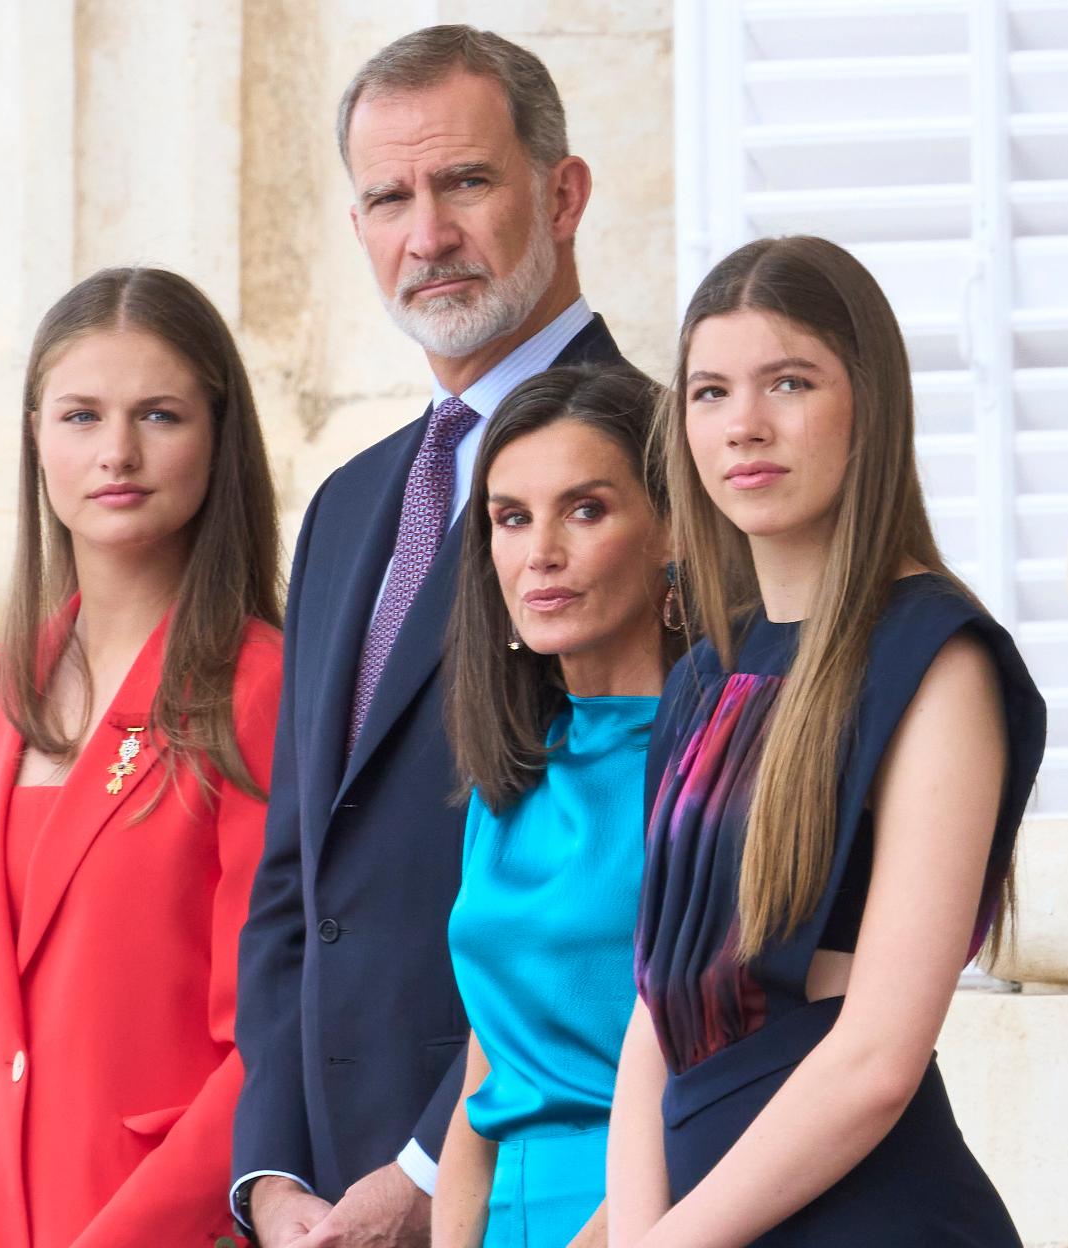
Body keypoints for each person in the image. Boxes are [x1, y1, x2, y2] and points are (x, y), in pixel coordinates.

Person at [232, 24, 633, 1248]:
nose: (428, 234)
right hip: (322, 1205)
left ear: (561, 194)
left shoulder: (668, 477)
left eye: (464, 181)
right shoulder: (352, 503)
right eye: (388, 197)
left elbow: (647, 881)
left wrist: (420, 1171)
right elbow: (299, 877)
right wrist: (271, 1175)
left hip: (544, 1183)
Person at [607, 236, 1046, 1247]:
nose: (745, 425)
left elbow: (878, 1058)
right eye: (710, 392)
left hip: (871, 1216)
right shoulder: (702, 676)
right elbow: (659, 1000)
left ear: (869, 407)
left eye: (789, 382)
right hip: (701, 1210)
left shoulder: (938, 659)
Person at [0, 267, 284, 1248]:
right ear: (35, 437)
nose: (118, 453)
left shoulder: (263, 688)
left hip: (155, 1226)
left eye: (161, 415)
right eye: (81, 416)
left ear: (219, 437)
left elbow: (264, 1036)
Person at [431, 365, 682, 1248]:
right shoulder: (511, 774)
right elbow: (484, 1079)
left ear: (671, 533)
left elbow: (730, 1078)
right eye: (511, 518)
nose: (539, 550)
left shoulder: (718, 766)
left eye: (586, 509)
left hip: (656, 1212)